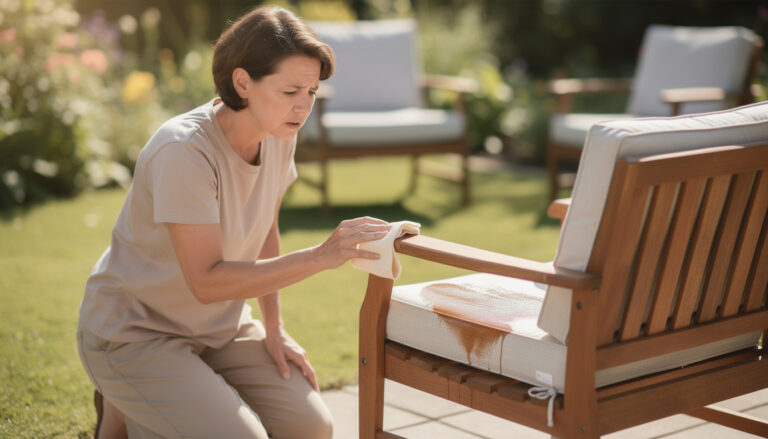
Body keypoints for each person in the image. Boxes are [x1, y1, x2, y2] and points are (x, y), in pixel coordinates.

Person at [77, 6, 390, 439]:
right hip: (135, 332)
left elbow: (265, 229)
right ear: (243, 82)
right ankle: (123, 402)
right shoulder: (184, 151)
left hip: (217, 328)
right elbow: (205, 282)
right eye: (290, 91)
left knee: (311, 428)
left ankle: (141, 404)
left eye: (312, 92)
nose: (304, 106)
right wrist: (320, 256)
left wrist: (275, 329)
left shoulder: (280, 133)